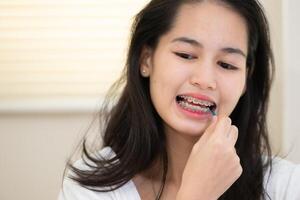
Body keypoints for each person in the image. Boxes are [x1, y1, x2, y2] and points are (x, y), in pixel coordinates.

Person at [58, 0, 300, 199]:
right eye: (185, 54)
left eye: (226, 64)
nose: (205, 80)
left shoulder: (286, 186)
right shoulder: (89, 189)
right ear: (146, 60)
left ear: (246, 78)